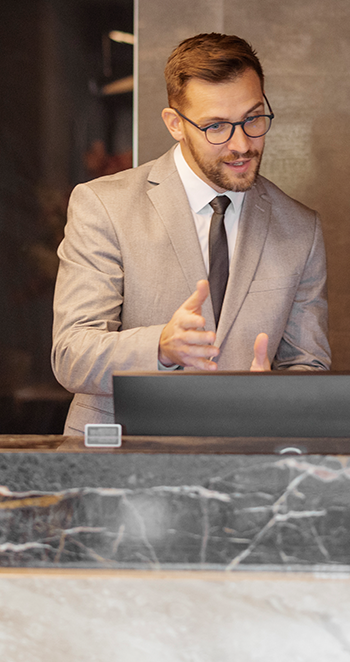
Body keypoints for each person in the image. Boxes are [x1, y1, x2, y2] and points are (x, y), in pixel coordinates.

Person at [52, 33, 330, 434]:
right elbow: (71, 354)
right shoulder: (103, 205)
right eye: (216, 126)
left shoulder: (301, 228)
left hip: (248, 461)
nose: (242, 144)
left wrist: (278, 395)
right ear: (175, 125)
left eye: (253, 118)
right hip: (122, 458)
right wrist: (160, 347)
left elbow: (310, 365)